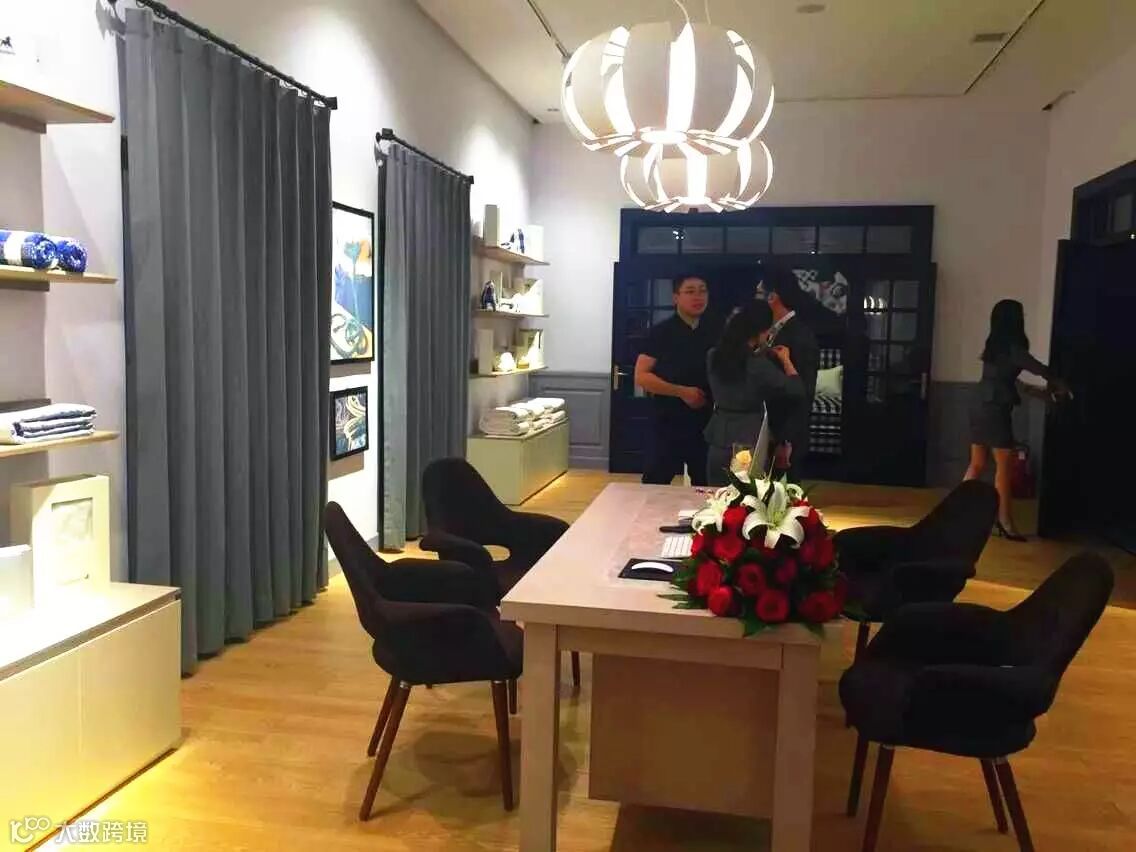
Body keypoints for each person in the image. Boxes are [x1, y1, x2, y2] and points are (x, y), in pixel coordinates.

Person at [964, 299, 1069, 541]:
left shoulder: (993, 348)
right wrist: (1060, 383)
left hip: (978, 403)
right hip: (994, 409)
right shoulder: (1014, 349)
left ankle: (953, 514)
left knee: (977, 463)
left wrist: (1041, 393)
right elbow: (1040, 369)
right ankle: (1005, 522)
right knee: (1004, 467)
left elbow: (1008, 381)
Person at [704, 300, 806, 485]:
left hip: (718, 433)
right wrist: (786, 360)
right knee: (745, 493)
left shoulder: (713, 356)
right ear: (760, 332)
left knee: (716, 492)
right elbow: (796, 389)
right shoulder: (758, 365)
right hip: (748, 436)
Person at [635, 275, 723, 485]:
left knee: (706, 485)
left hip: (706, 422)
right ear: (676, 297)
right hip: (667, 421)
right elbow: (642, 376)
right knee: (655, 483)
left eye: (702, 290)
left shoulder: (718, 330)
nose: (698, 297)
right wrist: (682, 392)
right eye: (690, 291)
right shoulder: (661, 332)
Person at [763, 265, 819, 480]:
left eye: (759, 293)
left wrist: (786, 440)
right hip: (768, 429)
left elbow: (803, 392)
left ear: (773, 297)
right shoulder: (773, 331)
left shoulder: (799, 335)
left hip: (785, 435)